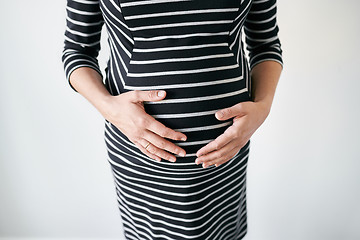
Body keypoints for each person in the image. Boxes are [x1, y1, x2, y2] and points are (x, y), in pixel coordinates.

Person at [62, 0, 283, 239]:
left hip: (226, 156)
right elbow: (77, 50)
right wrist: (110, 108)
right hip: (141, 157)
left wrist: (263, 107)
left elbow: (266, 44)